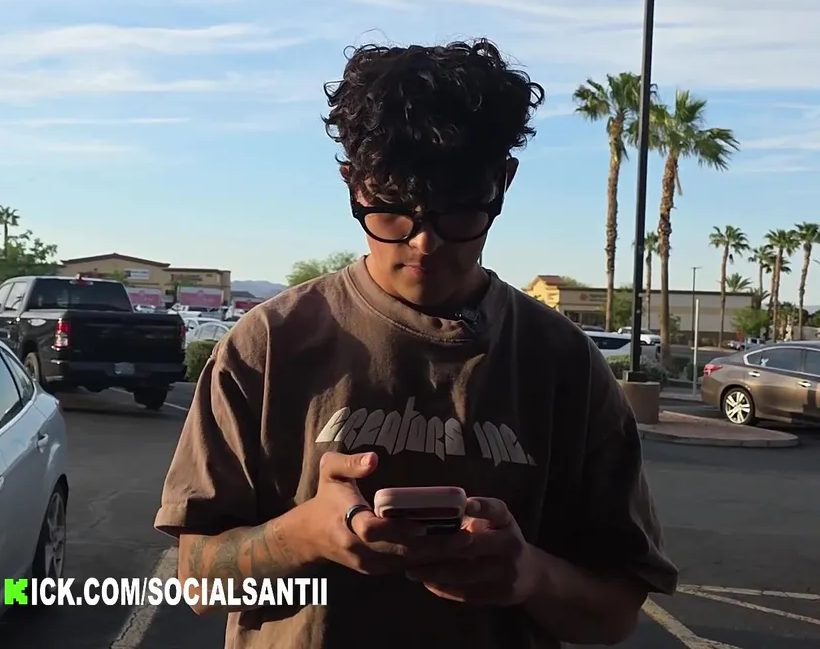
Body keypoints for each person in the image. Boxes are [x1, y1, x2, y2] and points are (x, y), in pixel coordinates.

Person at [155, 39, 678, 648]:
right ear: (352, 185)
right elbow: (197, 581)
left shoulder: (564, 365)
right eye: (392, 208)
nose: (424, 242)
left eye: (457, 209)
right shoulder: (268, 345)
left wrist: (529, 576)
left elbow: (615, 614)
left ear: (503, 182)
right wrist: (305, 535)